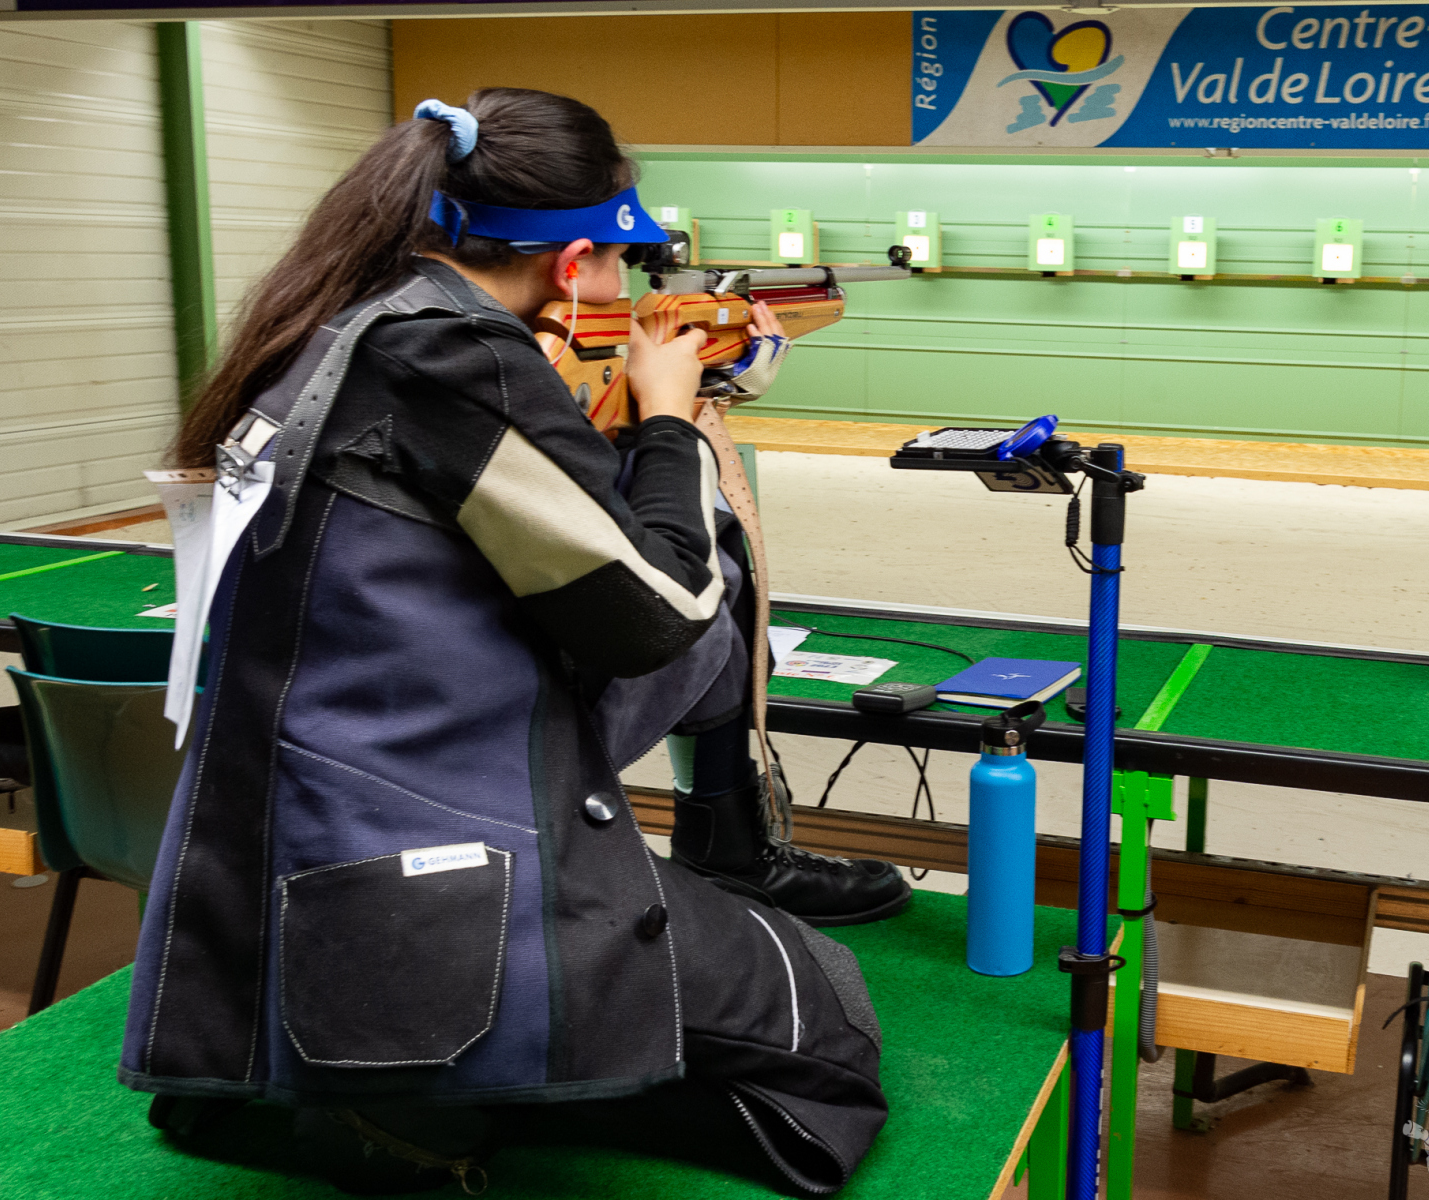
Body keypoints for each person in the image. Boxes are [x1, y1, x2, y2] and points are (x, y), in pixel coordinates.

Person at [121, 88, 894, 1194]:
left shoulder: (340, 321)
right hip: (437, 838)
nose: (626, 289)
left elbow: (505, 505)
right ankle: (465, 1082)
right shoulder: (457, 358)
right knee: (828, 1022)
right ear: (574, 261)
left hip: (293, 833)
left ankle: (390, 1071)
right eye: (619, 263)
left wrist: (606, 406)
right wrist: (671, 417)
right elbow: (655, 614)